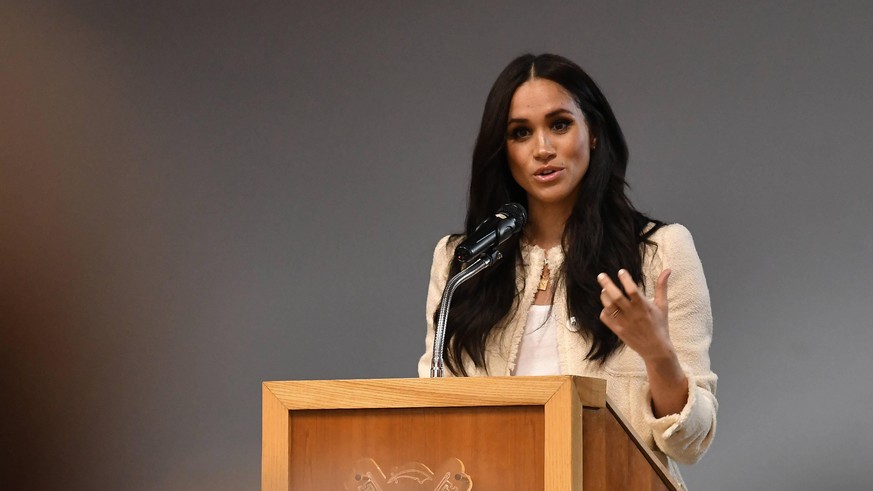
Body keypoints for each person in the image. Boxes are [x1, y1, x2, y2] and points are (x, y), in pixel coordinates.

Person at [418, 53, 717, 487]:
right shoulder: (461, 261)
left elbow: (691, 443)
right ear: (503, 151)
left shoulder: (659, 251)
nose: (543, 149)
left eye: (560, 124)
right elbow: (430, 408)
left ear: (593, 133)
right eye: (521, 133)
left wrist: (658, 354)